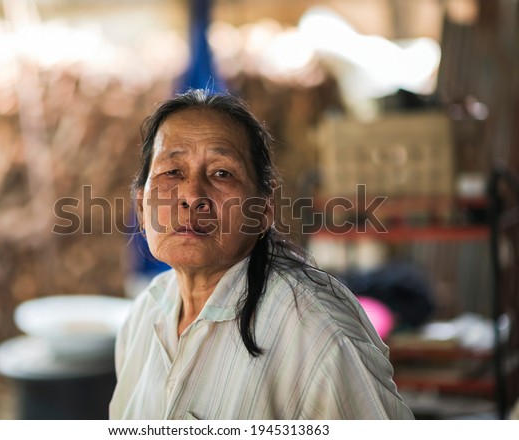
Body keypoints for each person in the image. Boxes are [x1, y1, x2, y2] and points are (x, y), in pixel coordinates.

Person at [109, 89, 414, 420]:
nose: (193, 195)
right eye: (172, 172)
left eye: (221, 173)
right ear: (141, 206)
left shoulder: (316, 332)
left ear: (263, 210)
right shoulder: (144, 317)